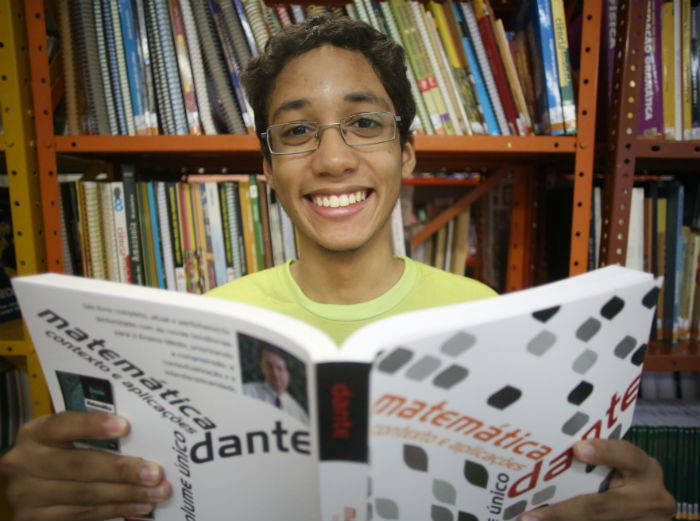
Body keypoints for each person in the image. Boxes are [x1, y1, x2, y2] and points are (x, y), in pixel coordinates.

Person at [0, 13, 675, 521]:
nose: (332, 160)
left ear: (406, 151)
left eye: (365, 123)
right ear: (268, 169)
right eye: (297, 131)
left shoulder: (486, 314)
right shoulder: (209, 327)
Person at [242, 345, 309, 425]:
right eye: (269, 366)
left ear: (289, 373)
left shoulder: (299, 415)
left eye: (280, 368)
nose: (274, 373)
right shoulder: (245, 393)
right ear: (262, 367)